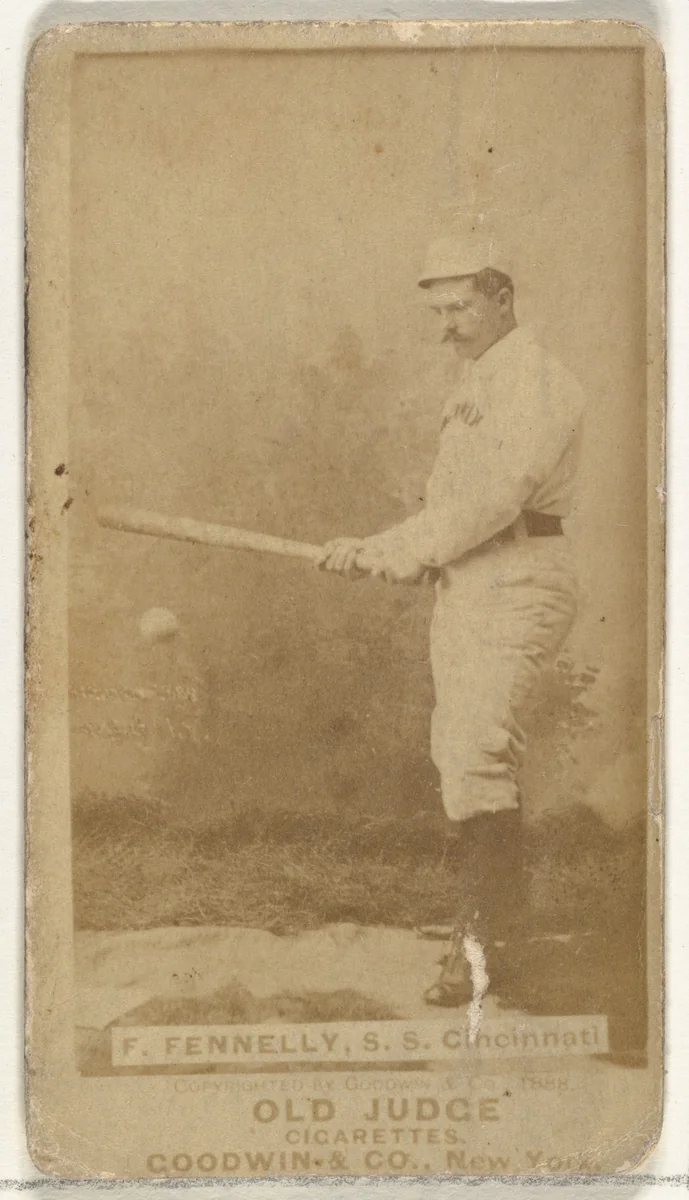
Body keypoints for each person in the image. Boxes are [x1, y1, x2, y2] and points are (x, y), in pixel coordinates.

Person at [318, 232, 587, 1006]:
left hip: (520, 574)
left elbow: (499, 496)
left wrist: (412, 550)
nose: (445, 327)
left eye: (459, 308)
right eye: (435, 312)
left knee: (475, 751)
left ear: (502, 298)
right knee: (463, 757)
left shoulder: (536, 379)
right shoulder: (479, 380)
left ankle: (483, 947)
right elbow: (451, 507)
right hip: (470, 577)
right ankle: (497, 939)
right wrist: (377, 546)